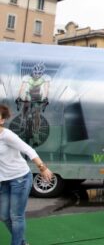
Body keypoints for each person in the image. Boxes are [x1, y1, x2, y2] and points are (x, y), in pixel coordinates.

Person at [0, 104, 54, 245]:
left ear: (2, 120)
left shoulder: (7, 136)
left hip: (20, 178)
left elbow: (28, 149)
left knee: (16, 216)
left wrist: (42, 168)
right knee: (4, 216)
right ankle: (22, 242)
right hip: (3, 180)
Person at [16, 62, 51, 146]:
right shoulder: (27, 77)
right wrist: (19, 97)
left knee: (37, 115)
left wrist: (45, 98)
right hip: (28, 94)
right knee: (26, 103)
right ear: (32, 71)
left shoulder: (45, 78)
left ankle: (36, 136)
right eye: (35, 73)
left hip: (38, 96)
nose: (37, 75)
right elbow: (22, 88)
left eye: (39, 73)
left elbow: (46, 88)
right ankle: (23, 121)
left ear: (42, 73)